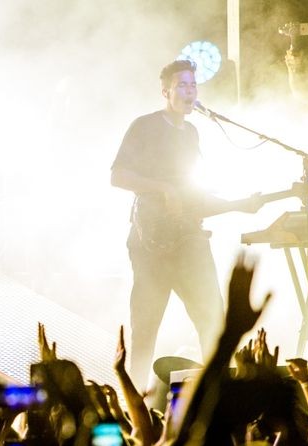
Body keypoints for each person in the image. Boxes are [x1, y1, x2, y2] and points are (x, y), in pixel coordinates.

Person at [111, 60, 262, 387]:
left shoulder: (192, 132)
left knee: (212, 321)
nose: (189, 90)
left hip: (190, 241)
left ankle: (216, 398)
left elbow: (193, 197)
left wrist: (239, 205)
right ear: (165, 92)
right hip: (150, 243)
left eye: (193, 85)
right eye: (182, 85)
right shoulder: (145, 126)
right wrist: (162, 188)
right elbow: (118, 176)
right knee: (145, 329)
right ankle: (134, 400)